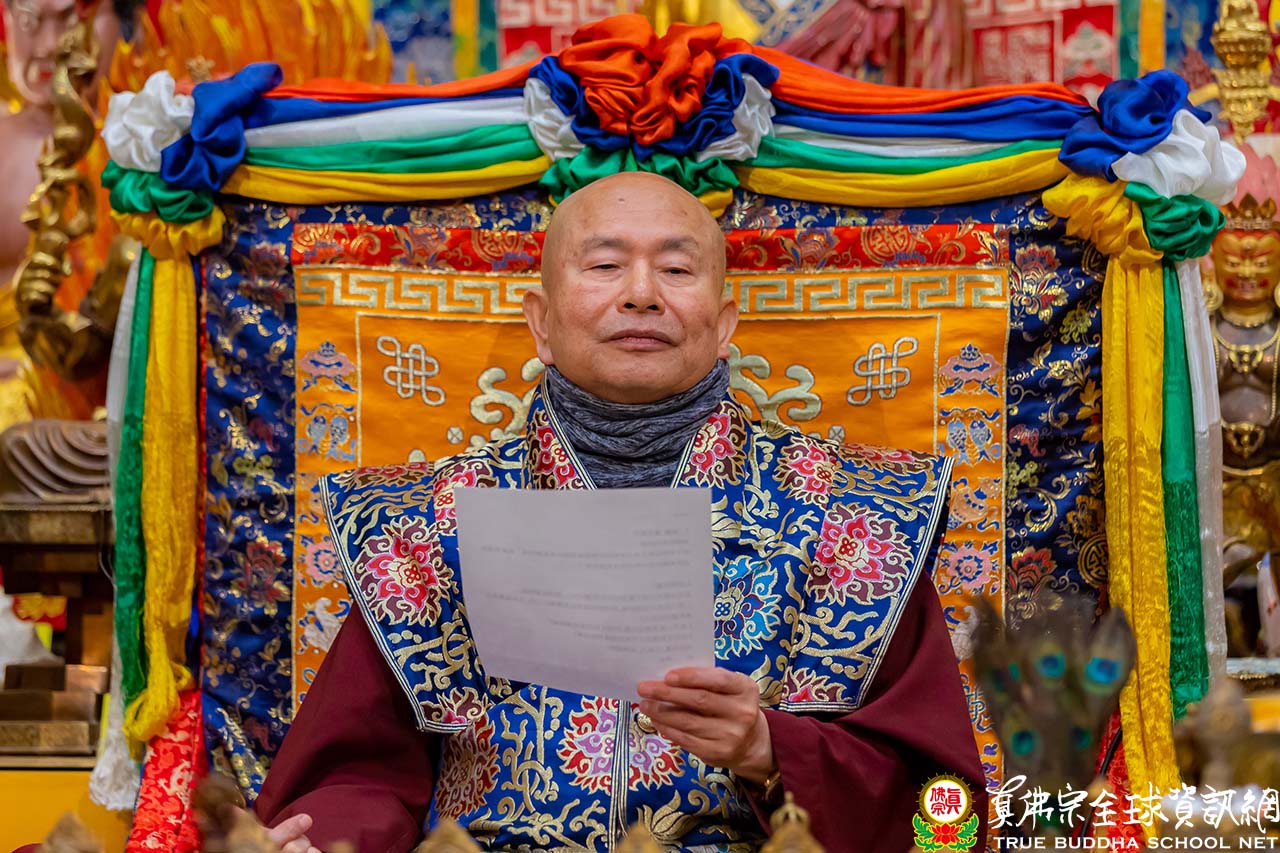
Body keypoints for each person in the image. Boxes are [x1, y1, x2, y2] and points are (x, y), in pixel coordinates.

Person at [255, 172, 987, 852]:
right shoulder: (426, 523)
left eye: (676, 270)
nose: (641, 294)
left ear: (724, 323)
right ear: (541, 323)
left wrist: (770, 751)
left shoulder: (853, 516)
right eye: (605, 265)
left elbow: (945, 826)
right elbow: (354, 777)